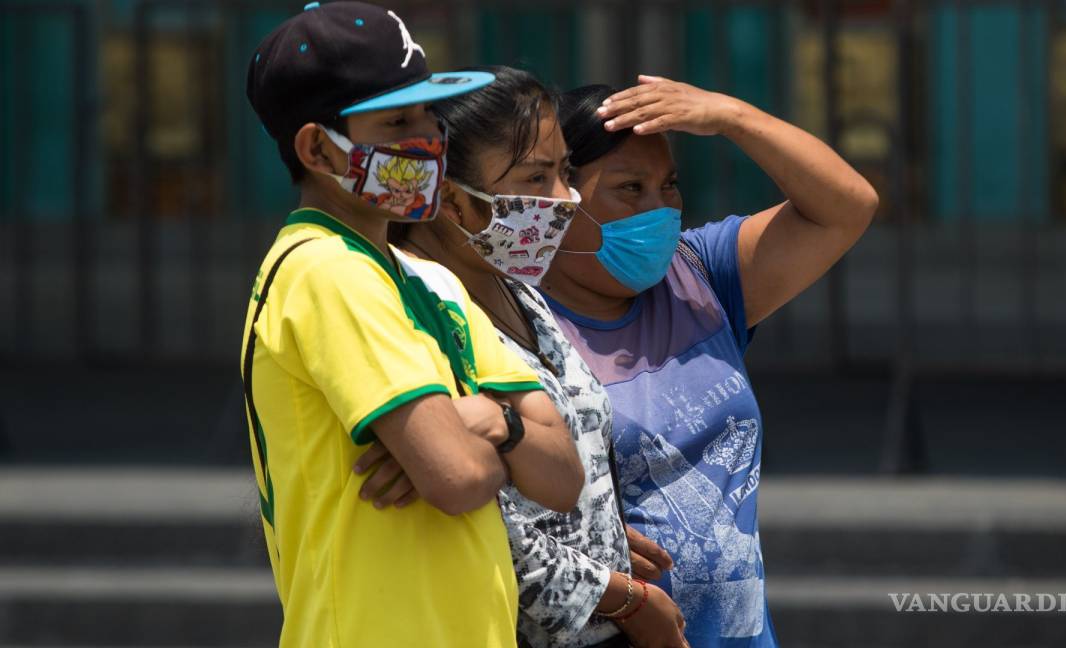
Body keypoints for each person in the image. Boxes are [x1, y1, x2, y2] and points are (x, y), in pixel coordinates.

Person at [240, 5, 583, 646]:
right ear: (318, 148)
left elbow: (563, 474)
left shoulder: (430, 278)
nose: (428, 139)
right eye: (398, 121)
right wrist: (500, 435)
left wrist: (486, 422)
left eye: (429, 114)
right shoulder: (325, 271)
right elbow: (458, 478)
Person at [361, 65, 688, 648]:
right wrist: (629, 600)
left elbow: (567, 453)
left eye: (564, 172)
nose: (566, 199)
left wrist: (603, 533)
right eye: (537, 178)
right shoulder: (415, 315)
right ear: (452, 200)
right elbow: (489, 526)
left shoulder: (520, 291)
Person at [548, 76, 879, 647]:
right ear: (558, 196)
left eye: (669, 185)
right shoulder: (510, 318)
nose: (658, 209)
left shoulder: (699, 275)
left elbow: (846, 207)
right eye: (630, 188)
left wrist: (733, 117)